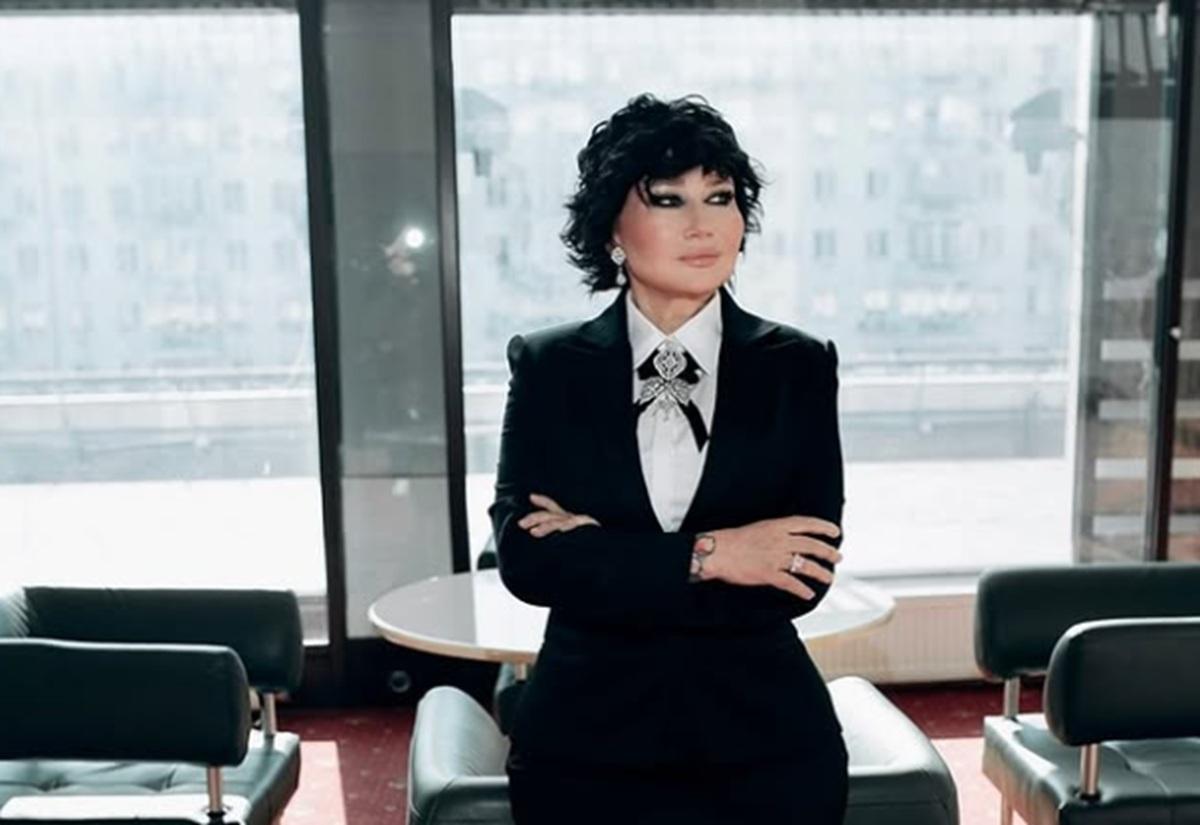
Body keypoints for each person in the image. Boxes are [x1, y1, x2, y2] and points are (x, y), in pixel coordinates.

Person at [488, 93, 848, 825]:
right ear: (611, 229)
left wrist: (607, 557)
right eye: (668, 199)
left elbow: (801, 572)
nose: (703, 224)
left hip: (766, 743)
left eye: (721, 197)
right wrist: (715, 555)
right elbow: (529, 564)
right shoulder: (550, 366)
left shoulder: (798, 366)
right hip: (586, 744)